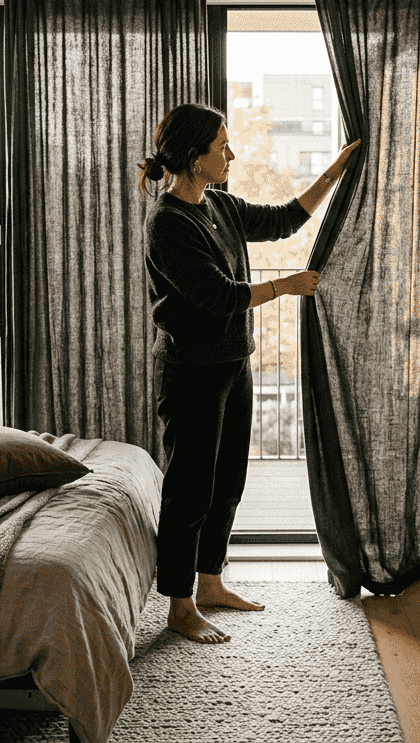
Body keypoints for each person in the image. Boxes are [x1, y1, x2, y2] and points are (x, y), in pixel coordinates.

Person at [137, 102, 359, 644]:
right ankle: (179, 604)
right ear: (194, 157)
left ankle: (211, 582)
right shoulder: (167, 222)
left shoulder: (220, 205)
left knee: (229, 478)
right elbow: (217, 296)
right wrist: (285, 286)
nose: (231, 154)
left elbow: (284, 219)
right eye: (222, 146)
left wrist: (334, 172)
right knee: (190, 488)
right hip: (191, 372)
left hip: (232, 364)